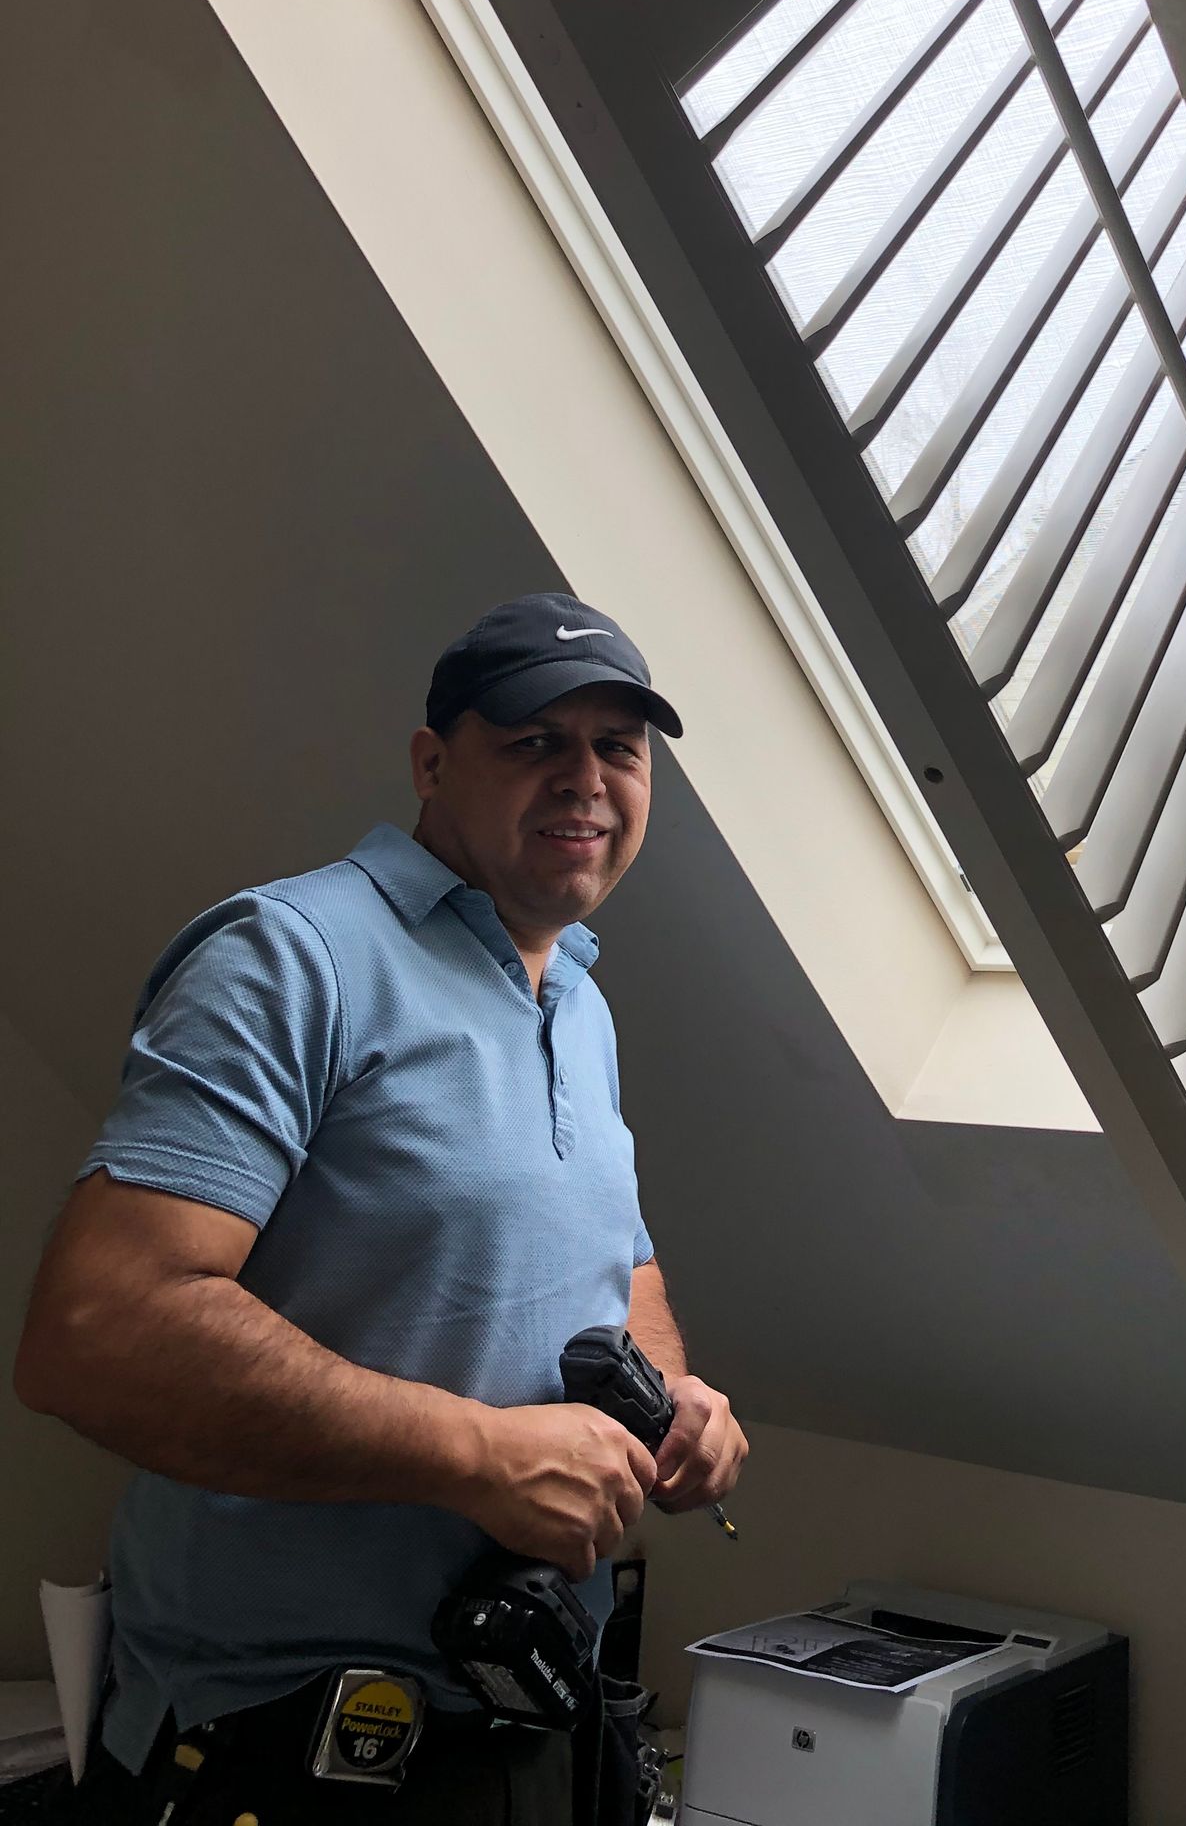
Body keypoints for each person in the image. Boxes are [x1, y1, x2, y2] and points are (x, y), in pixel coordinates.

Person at [14, 592, 746, 1824]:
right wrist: (477, 1453)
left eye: (619, 747)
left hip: (528, 1718)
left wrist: (672, 1399)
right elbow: (95, 1331)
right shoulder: (290, 956)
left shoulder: (577, 997)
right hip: (290, 1740)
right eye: (533, 742)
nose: (586, 780)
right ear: (430, 762)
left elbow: (618, 1268)